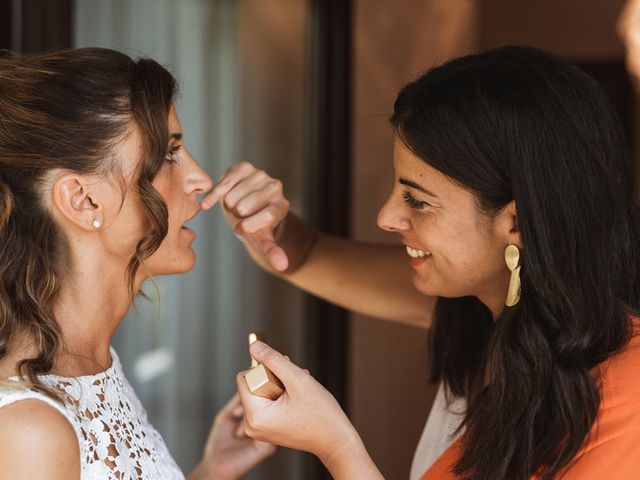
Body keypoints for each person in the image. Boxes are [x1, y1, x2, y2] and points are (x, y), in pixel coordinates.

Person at [203, 46, 640, 479]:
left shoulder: (627, 398)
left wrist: (336, 446)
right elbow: (306, 256)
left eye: (418, 200)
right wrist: (265, 221)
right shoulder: (476, 306)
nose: (386, 218)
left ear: (517, 223)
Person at [0, 48, 275, 479]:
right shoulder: (27, 432)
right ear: (83, 200)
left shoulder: (94, 364)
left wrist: (213, 469)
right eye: (169, 155)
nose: (201, 178)